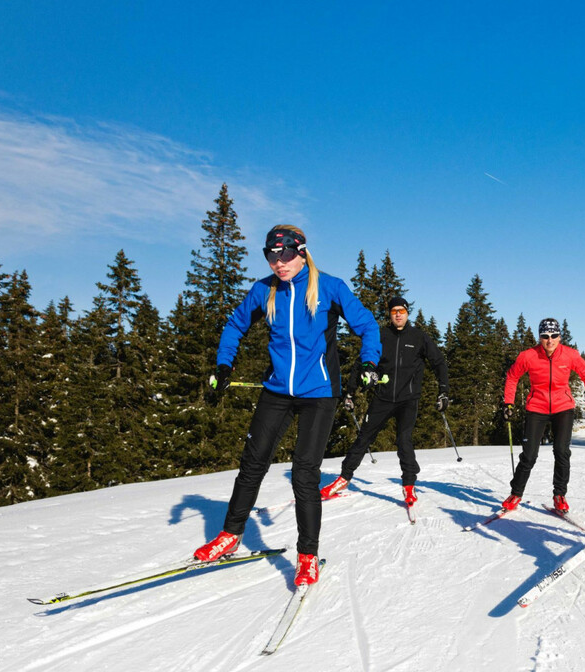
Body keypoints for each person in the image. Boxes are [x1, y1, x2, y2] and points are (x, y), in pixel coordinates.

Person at [193, 225, 382, 586]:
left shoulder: (329, 287)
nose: (278, 262)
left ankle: (307, 555)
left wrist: (369, 362)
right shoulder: (264, 290)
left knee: (304, 473)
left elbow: (368, 326)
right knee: (252, 463)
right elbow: (235, 325)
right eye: (271, 255)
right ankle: (230, 535)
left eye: (285, 254)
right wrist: (223, 364)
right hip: (277, 389)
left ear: (301, 251)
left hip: (319, 392)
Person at [319, 296, 450, 506]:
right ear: (389, 314)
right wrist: (350, 393)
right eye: (394, 311)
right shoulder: (379, 335)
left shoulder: (419, 337)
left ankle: (408, 485)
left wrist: (444, 391)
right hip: (383, 397)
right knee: (364, 438)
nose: (398, 314)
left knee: (403, 440)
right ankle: (343, 478)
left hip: (408, 399)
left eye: (402, 311)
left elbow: (439, 363)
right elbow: (360, 363)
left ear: (407, 313)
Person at [500, 318, 585, 514]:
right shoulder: (528, 356)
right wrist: (508, 402)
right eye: (545, 336)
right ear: (540, 337)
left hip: (563, 407)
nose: (550, 340)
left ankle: (559, 495)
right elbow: (512, 376)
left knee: (561, 451)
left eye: (554, 336)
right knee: (529, 455)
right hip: (536, 407)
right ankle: (515, 494)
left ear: (559, 336)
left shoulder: (570, 355)